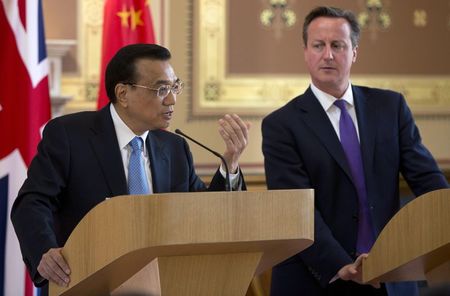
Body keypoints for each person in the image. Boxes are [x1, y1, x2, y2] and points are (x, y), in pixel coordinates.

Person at [11, 43, 250, 294]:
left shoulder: (175, 147)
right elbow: (32, 201)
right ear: (123, 94)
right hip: (88, 281)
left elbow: (203, 213)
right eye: (161, 89)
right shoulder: (70, 136)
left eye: (174, 86)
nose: (172, 99)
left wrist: (230, 163)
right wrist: (45, 251)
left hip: (166, 284)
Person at [262, 6, 449, 296]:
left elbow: (428, 182)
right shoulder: (281, 125)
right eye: (318, 45)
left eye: (337, 45)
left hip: (390, 275)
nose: (328, 54)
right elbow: (296, 209)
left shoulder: (391, 108)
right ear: (306, 52)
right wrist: (341, 265)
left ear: (354, 52)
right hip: (319, 278)